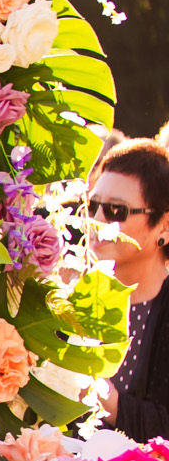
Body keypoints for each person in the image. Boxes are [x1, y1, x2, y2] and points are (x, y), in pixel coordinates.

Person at [91, 139, 169, 440]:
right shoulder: (70, 296)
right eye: (94, 205)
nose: (97, 221)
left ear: (163, 226)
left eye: (116, 210)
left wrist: (97, 394)